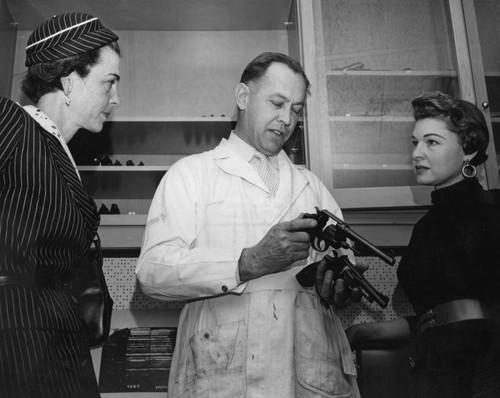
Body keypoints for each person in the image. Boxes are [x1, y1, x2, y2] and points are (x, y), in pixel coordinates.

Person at [136, 52, 362, 397]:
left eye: (297, 110)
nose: (286, 119)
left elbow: (342, 271)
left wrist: (339, 286)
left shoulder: (312, 186)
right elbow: (152, 273)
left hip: (310, 377)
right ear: (243, 97)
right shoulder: (192, 174)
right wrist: (245, 263)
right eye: (277, 103)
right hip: (221, 373)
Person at [346, 91, 500, 398]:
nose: (416, 153)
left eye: (431, 142)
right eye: (415, 142)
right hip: (433, 376)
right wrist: (366, 331)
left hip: (483, 378)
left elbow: (485, 316)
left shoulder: (493, 210)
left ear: (468, 149)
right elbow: (439, 317)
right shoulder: (425, 228)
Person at [0, 12, 120, 397]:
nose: (115, 98)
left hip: (62, 344)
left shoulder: (58, 152)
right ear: (70, 81)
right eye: (109, 82)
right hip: (18, 344)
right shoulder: (12, 123)